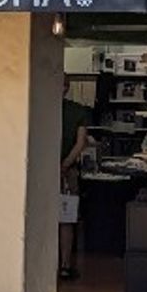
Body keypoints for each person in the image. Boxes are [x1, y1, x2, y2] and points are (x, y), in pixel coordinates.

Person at [58, 88, 91, 280]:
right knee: (67, 218)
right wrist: (65, 165)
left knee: (41, 217)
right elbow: (81, 143)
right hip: (67, 172)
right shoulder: (78, 111)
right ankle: (65, 265)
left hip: (40, 170)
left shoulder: (40, 106)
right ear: (67, 88)